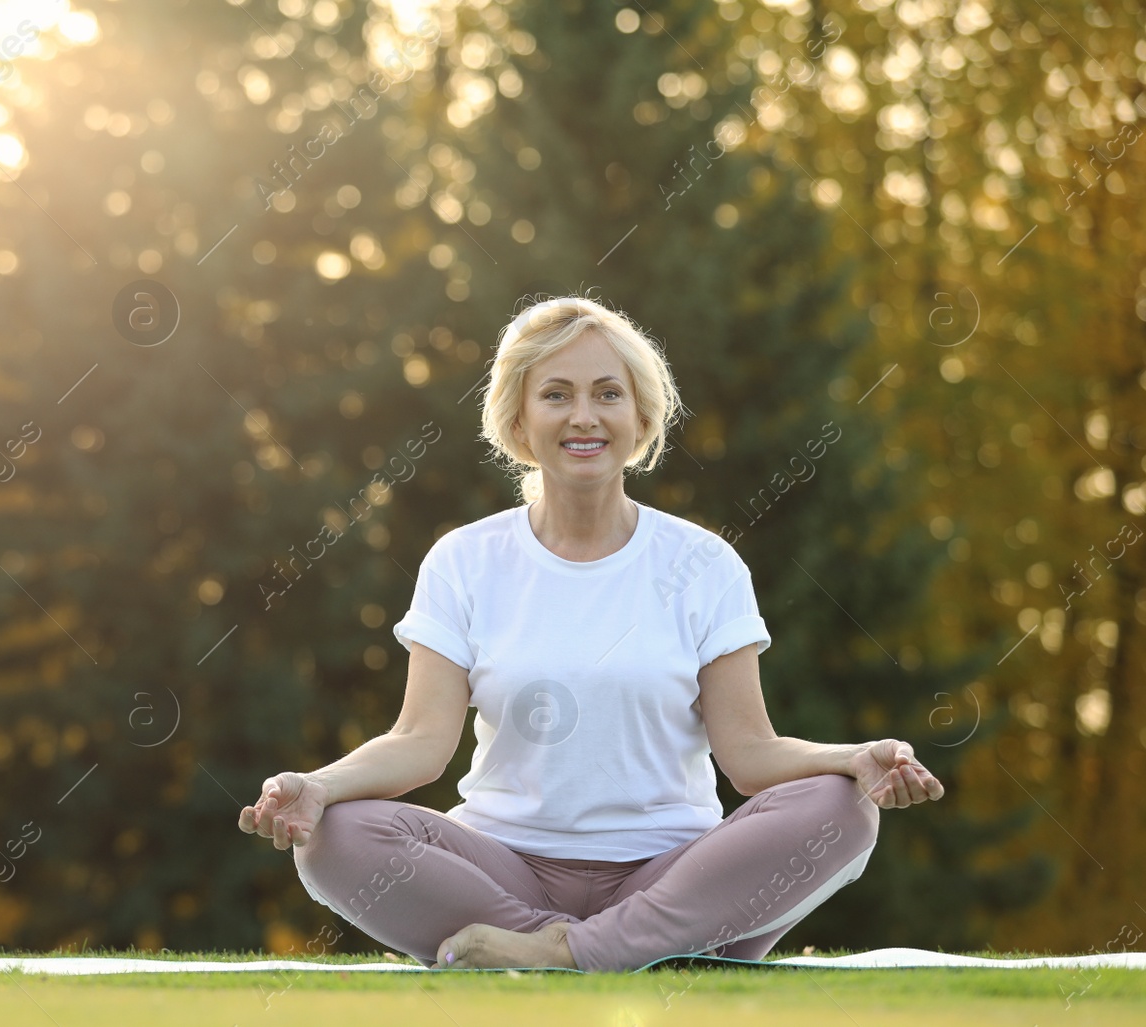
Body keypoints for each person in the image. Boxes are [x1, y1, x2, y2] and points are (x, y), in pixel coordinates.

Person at [236, 295, 945, 972]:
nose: (585, 416)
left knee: (840, 808)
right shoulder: (464, 560)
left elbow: (751, 756)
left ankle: (562, 954)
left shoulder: (703, 563)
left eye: (608, 393)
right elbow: (419, 743)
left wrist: (852, 758)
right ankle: (642, 950)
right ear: (518, 419)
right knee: (331, 836)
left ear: (640, 419)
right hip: (503, 874)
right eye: (557, 394)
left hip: (672, 871)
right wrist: (316, 785)